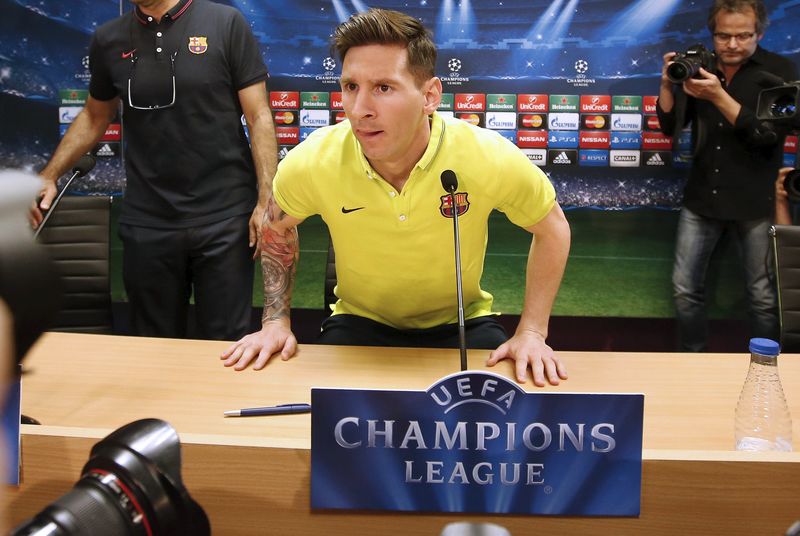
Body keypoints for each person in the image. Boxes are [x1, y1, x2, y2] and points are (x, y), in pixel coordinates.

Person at [221, 8, 571, 386]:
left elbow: (552, 227)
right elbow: (276, 227)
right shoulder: (313, 160)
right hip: (357, 324)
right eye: (351, 87)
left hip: (463, 323)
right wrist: (275, 320)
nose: (359, 110)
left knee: (500, 420)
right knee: (324, 425)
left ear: (430, 96)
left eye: (383, 88)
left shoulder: (485, 154)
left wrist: (533, 331)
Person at [29, 0, 278, 340]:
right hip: (148, 221)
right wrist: (49, 174)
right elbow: (93, 116)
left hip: (224, 217)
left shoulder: (225, 22)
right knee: (152, 344)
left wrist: (266, 199)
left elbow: (259, 114)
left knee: (225, 345)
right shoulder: (109, 38)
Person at [656, 0, 798, 351]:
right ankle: (692, 361)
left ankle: (766, 366)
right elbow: (670, 127)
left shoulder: (778, 71)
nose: (732, 44)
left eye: (743, 35)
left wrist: (719, 96)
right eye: (723, 36)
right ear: (713, 34)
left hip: (755, 200)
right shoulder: (698, 67)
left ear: (759, 33)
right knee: (685, 289)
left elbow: (767, 135)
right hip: (702, 196)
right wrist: (667, 85)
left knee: (763, 296)